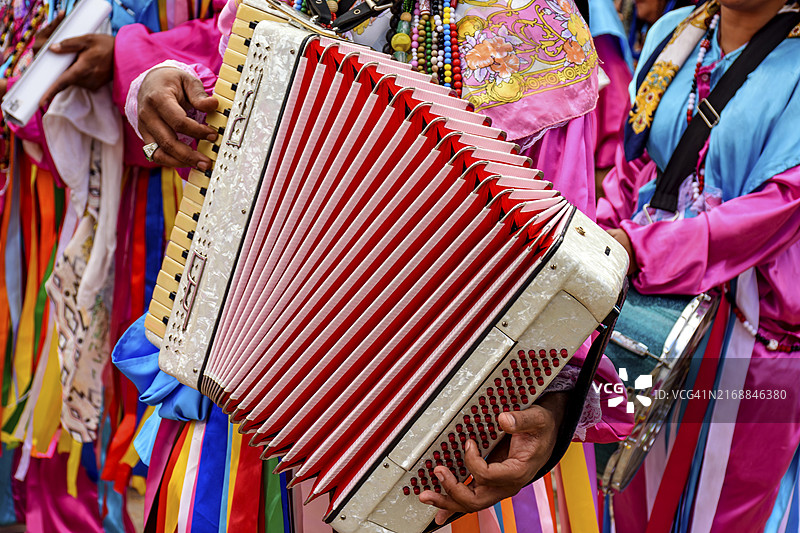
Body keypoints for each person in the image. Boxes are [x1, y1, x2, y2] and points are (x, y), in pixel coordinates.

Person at [114, 0, 636, 530]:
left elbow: (566, 266)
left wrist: (553, 403)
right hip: (248, 380)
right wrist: (162, 85)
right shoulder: (276, 6)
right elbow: (219, 97)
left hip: (441, 435)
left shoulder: (532, 26)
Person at [597, 0, 800, 530]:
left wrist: (641, 250)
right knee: (631, 489)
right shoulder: (675, 32)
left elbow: (777, 208)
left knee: (724, 511)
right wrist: (600, 234)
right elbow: (635, 162)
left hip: (754, 333)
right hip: (651, 314)